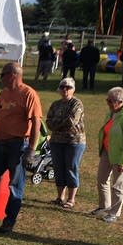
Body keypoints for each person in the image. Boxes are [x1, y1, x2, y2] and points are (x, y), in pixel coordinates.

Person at [0, 63, 42, 233]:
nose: (1, 78)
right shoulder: (3, 93)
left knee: (15, 186)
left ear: (12, 75)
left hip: (18, 145)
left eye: (3, 74)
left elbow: (36, 123)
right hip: (0, 144)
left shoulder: (29, 94)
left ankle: (9, 222)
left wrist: (31, 150)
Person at [92, 87, 123, 223]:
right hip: (106, 152)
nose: (107, 103)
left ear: (120, 102)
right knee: (101, 180)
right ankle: (104, 206)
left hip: (120, 156)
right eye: (107, 100)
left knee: (118, 185)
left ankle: (114, 213)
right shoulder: (110, 113)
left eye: (110, 101)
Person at [45, 77, 86, 209]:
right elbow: (48, 121)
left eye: (68, 87)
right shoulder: (55, 104)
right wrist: (57, 124)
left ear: (73, 89)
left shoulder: (77, 103)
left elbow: (71, 121)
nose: (65, 90)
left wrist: (56, 125)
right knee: (58, 168)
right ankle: (60, 197)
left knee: (71, 168)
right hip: (56, 141)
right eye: (62, 87)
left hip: (74, 141)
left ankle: (71, 199)